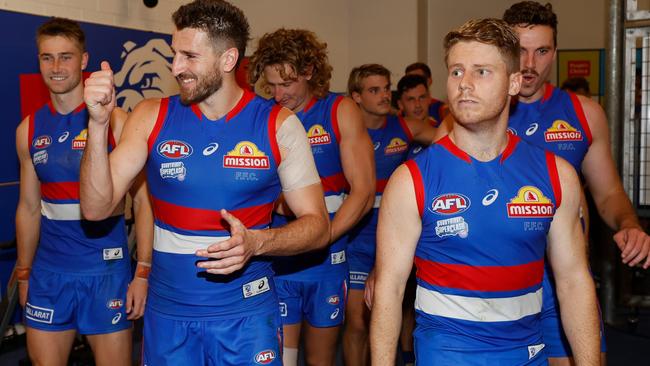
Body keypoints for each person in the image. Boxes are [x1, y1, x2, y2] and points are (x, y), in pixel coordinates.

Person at [80, 1, 330, 365]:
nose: (175, 67)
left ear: (228, 60)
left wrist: (259, 241)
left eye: (189, 56)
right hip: (169, 317)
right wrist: (98, 125)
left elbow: (318, 225)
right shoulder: (151, 116)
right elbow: (95, 206)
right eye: (174, 54)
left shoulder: (279, 125)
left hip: (247, 316)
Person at [369, 18, 601, 365]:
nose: (465, 84)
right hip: (448, 354)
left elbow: (573, 283)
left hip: (527, 354)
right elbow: (389, 291)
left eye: (481, 72)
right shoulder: (412, 180)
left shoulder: (556, 176)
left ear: (513, 83)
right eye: (457, 72)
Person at [503, 2, 650, 364]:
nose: (530, 64)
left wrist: (629, 224)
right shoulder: (473, 116)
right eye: (520, 50)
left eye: (542, 51)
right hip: (498, 285)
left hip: (564, 282)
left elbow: (609, 193)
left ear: (555, 52)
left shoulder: (584, 113)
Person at [14, 17, 152, 366]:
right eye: (47, 57)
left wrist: (143, 272)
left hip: (106, 273)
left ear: (84, 60)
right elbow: (29, 208)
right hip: (49, 273)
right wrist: (25, 273)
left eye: (66, 56)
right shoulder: (28, 129)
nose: (56, 67)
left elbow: (143, 201)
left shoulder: (117, 121)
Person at [248, 28, 375, 366]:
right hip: (281, 254)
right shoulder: (264, 115)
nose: (278, 94)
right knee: (283, 358)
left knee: (320, 359)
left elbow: (363, 191)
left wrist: (320, 237)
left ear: (308, 72)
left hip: (328, 256)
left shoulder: (340, 110)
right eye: (271, 85)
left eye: (286, 84)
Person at [343, 63, 442, 366]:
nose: (384, 95)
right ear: (356, 97)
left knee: (392, 309)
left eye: (386, 88)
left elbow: (449, 139)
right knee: (358, 321)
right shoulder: (344, 129)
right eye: (375, 90)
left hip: (393, 233)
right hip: (355, 235)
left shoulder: (405, 127)